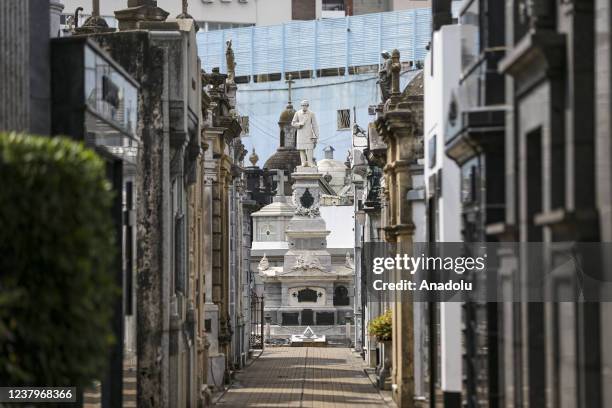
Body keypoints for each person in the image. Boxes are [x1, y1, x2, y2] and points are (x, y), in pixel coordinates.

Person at [291, 100, 319, 167]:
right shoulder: (297, 113)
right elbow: (293, 123)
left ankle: (310, 162)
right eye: (303, 105)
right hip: (300, 133)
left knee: (310, 148)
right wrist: (299, 124)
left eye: (306, 105)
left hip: (309, 133)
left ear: (308, 106)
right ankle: (303, 162)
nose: (304, 107)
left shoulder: (311, 113)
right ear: (301, 106)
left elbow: (314, 124)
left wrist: (316, 135)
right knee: (302, 148)